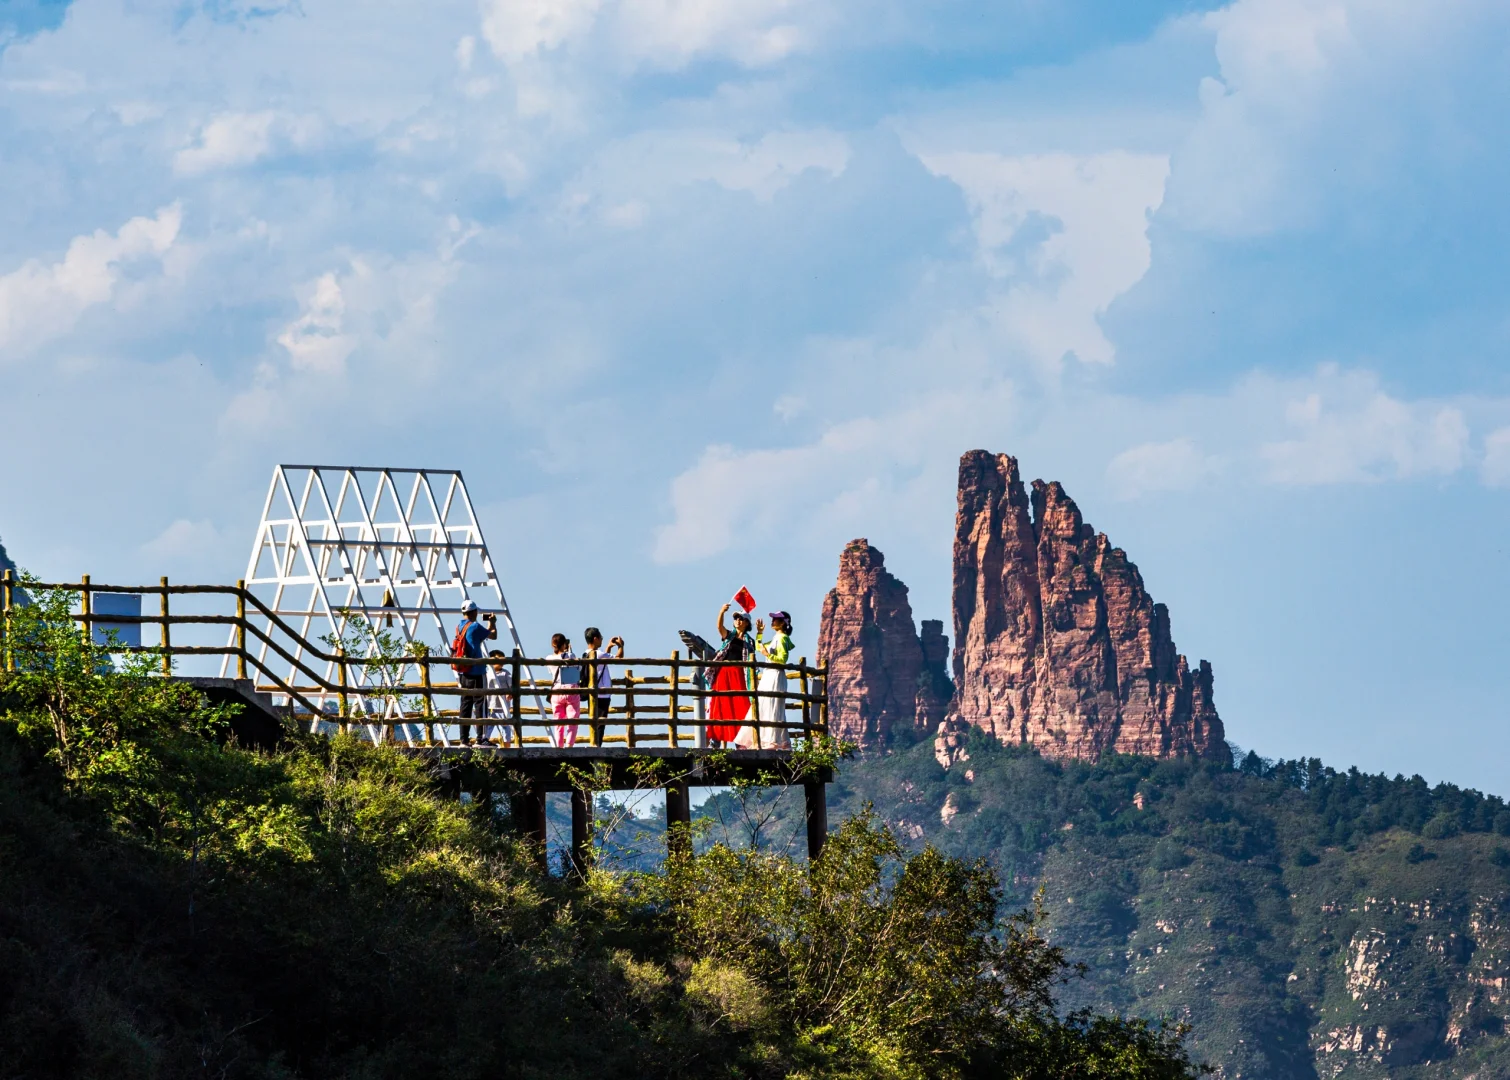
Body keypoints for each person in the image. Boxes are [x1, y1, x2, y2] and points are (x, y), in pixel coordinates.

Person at [706, 602, 754, 746]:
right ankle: (716, 740)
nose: (737, 621)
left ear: (746, 623)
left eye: (741, 618)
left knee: (740, 707)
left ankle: (741, 742)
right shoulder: (729, 637)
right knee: (721, 706)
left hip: (739, 675)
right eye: (736, 618)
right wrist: (722, 612)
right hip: (724, 674)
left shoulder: (749, 641)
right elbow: (719, 627)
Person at [452, 599, 496, 745]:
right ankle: (481, 738)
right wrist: (492, 622)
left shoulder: (459, 627)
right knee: (480, 704)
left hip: (463, 671)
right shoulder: (476, 626)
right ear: (474, 612)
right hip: (477, 671)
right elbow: (493, 635)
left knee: (465, 705)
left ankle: (463, 740)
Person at [752, 611, 795, 749]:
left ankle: (773, 741)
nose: (773, 621)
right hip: (769, 674)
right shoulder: (777, 638)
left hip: (775, 674)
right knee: (765, 704)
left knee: (773, 706)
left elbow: (782, 660)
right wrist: (759, 633)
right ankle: (768, 740)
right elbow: (759, 647)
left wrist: (767, 655)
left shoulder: (782, 638)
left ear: (782, 623)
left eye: (776, 619)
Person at [581, 627, 624, 747]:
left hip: (591, 693)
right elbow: (619, 658)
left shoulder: (586, 654)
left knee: (594, 721)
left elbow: (604, 661)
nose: (602, 640)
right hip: (602, 693)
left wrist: (609, 647)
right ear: (595, 639)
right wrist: (621, 646)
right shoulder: (599, 654)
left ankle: (594, 744)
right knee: (601, 722)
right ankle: (597, 746)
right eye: (601, 638)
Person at [549, 633, 581, 747]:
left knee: (558, 722)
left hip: (557, 690)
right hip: (570, 689)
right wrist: (570, 653)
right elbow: (578, 669)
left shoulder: (549, 658)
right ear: (564, 644)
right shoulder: (570, 656)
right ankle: (569, 745)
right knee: (573, 720)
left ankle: (559, 746)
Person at [484, 649, 513, 748]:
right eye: (498, 659)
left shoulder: (505, 673)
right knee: (488, 726)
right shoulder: (487, 673)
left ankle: (507, 746)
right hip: (490, 704)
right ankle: (485, 741)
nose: (501, 662)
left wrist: (510, 692)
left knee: (505, 726)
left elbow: (511, 685)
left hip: (503, 706)